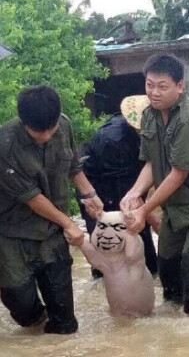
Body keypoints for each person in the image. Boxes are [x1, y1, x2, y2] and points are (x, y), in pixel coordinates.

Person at [119, 54, 189, 315]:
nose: (154, 92)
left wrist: (143, 211)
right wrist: (134, 192)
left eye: (162, 86)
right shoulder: (149, 114)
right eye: (149, 85)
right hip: (176, 210)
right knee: (169, 280)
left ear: (180, 86)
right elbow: (151, 162)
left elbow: (177, 174)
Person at [0, 85, 103, 334]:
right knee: (22, 306)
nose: (46, 136)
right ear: (23, 122)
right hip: (13, 232)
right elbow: (31, 198)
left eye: (51, 128)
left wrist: (89, 194)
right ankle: (35, 323)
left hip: (52, 229)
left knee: (65, 321)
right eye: (37, 131)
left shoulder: (64, 125)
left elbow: (72, 166)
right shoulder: (5, 144)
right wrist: (69, 224)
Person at [79, 111, 159, 277]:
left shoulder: (138, 134)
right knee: (108, 247)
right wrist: (157, 224)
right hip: (99, 192)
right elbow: (128, 197)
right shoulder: (114, 140)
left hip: (124, 182)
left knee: (146, 260)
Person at [78, 211, 155, 316]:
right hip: (118, 315)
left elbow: (131, 255)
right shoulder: (106, 260)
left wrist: (131, 231)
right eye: (102, 227)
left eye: (118, 228)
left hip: (144, 317)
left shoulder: (133, 254)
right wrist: (80, 241)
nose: (108, 236)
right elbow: (93, 258)